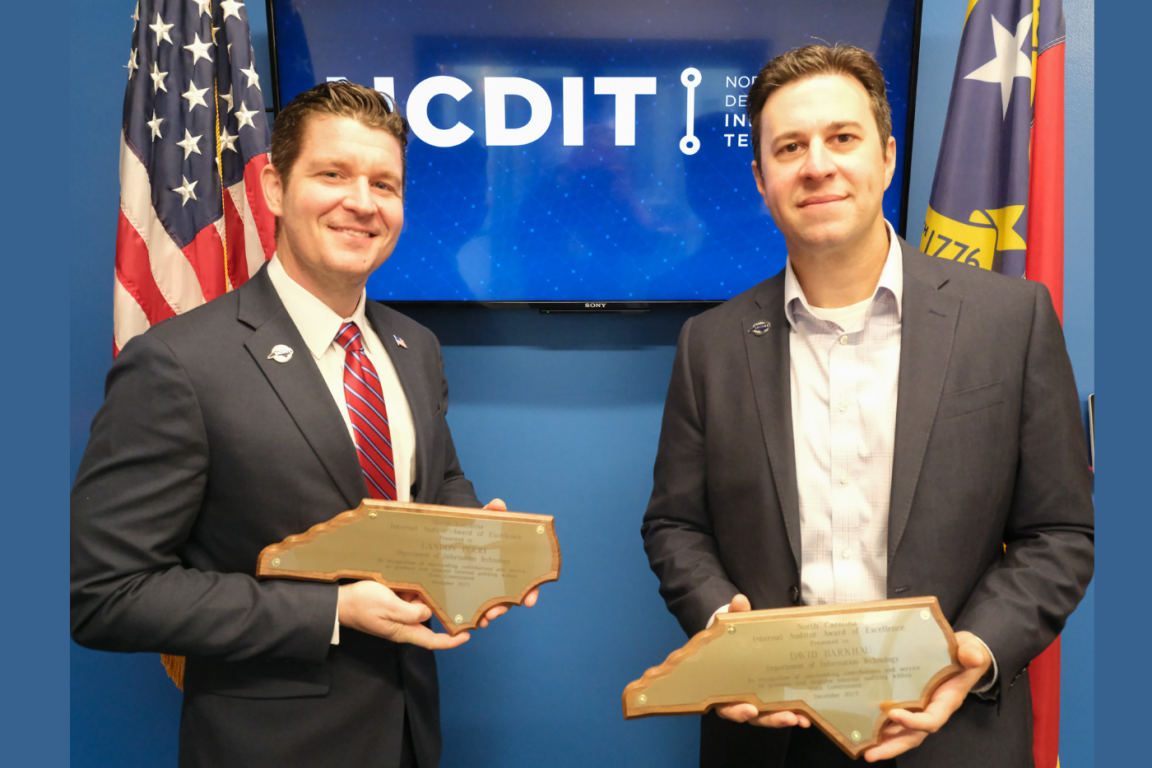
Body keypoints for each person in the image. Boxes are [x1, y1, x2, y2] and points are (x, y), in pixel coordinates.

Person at [640, 45, 1093, 768]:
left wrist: (974, 651)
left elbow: (1059, 531)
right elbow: (675, 525)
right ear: (762, 180)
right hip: (771, 738)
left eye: (841, 138)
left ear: (885, 157)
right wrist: (729, 629)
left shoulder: (1011, 320)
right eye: (789, 147)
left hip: (954, 730)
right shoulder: (710, 344)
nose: (817, 164)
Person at [71, 80, 534, 768]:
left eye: (386, 184)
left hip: (410, 736)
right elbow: (105, 595)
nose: (363, 203)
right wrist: (333, 612)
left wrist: (473, 549)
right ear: (274, 188)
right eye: (332, 174)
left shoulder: (414, 348)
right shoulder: (177, 364)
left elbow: (436, 481)